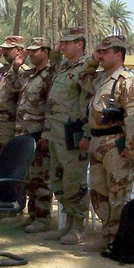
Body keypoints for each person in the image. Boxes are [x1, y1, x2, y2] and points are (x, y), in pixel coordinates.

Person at [78, 35, 134, 252]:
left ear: (118, 55)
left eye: (105, 53)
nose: (101, 56)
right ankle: (106, 234)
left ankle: (118, 237)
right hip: (97, 141)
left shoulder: (126, 81)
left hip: (116, 143)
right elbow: (81, 77)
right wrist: (92, 59)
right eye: (100, 52)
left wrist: (132, 147)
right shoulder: (100, 79)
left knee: (118, 193)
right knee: (98, 191)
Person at [43, 27, 91, 245]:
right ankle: (68, 224)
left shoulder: (86, 68)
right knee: (58, 180)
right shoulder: (63, 66)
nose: (62, 46)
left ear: (79, 44)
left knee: (74, 181)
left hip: (72, 133)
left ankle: (79, 226)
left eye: (67, 43)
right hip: (55, 133)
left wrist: (87, 134)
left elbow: (88, 105)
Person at [15, 37, 52, 232]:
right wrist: (17, 65)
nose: (30, 54)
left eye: (34, 51)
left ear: (45, 52)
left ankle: (43, 218)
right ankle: (32, 215)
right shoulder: (29, 75)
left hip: (39, 133)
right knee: (29, 178)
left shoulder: (49, 76)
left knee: (40, 178)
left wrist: (46, 134)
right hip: (24, 132)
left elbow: (50, 108)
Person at [0, 35, 27, 169]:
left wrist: (16, 68)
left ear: (18, 51)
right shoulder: (3, 69)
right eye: (3, 49)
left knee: (8, 161)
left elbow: (18, 91)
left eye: (8, 49)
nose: (4, 52)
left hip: (9, 125)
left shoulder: (22, 71)